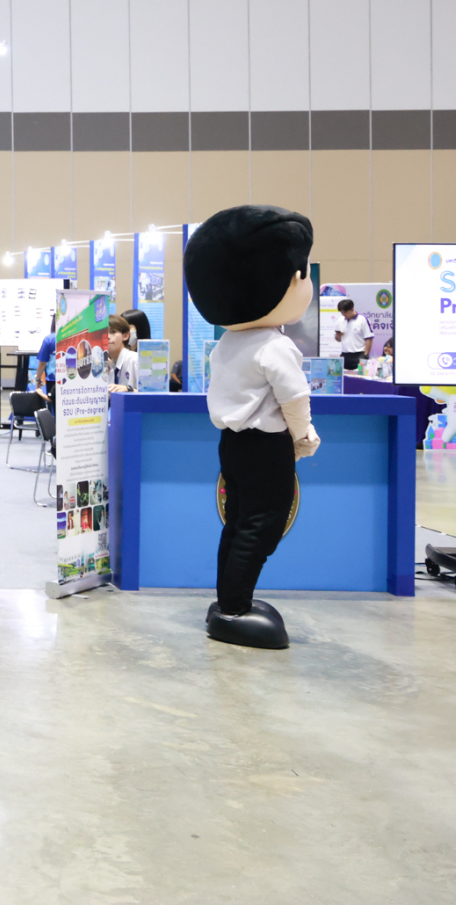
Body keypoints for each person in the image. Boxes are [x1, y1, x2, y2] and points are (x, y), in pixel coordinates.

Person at [183, 204, 320, 650]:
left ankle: (231, 598)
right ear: (291, 279)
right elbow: (294, 400)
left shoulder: (227, 342)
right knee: (262, 526)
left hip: (232, 444)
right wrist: (304, 437)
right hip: (266, 446)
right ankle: (235, 605)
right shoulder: (274, 347)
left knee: (238, 522)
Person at [334, 298, 372, 372]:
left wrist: (366, 354)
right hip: (345, 354)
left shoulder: (362, 319)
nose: (343, 314)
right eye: (342, 312)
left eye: (345, 312)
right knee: (344, 376)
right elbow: (338, 339)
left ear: (352, 309)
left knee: (360, 376)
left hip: (359, 354)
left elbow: (369, 338)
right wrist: (338, 336)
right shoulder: (340, 321)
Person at [105, 316, 139, 391]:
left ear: (125, 336)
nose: (107, 336)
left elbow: (153, 394)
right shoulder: (111, 366)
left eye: (113, 332)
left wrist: (129, 390)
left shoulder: (136, 360)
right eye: (103, 333)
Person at [33, 315, 57, 403]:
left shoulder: (49, 339)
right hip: (71, 379)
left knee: (53, 403)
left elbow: (42, 364)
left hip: (53, 379)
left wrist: (38, 380)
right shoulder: (72, 336)